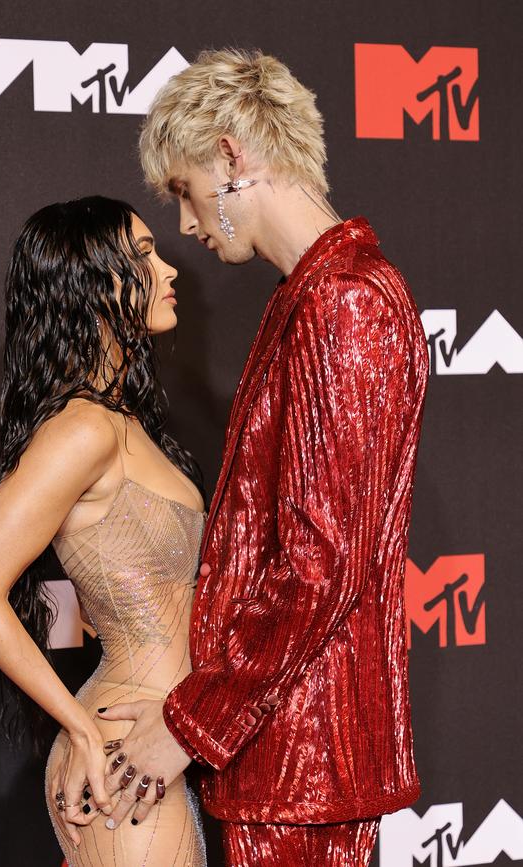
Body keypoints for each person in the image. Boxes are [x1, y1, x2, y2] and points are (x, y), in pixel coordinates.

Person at [94, 49, 430, 866]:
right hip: (281, 754)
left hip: (302, 764)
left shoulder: (343, 302)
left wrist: (190, 725)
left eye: (184, 188)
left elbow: (319, 564)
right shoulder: (312, 297)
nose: (186, 223)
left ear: (232, 155)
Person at [0, 196, 208, 867]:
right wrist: (83, 730)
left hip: (171, 743)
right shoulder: (83, 429)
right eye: (144, 256)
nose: (170, 268)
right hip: (126, 762)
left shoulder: (122, 420)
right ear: (92, 285)